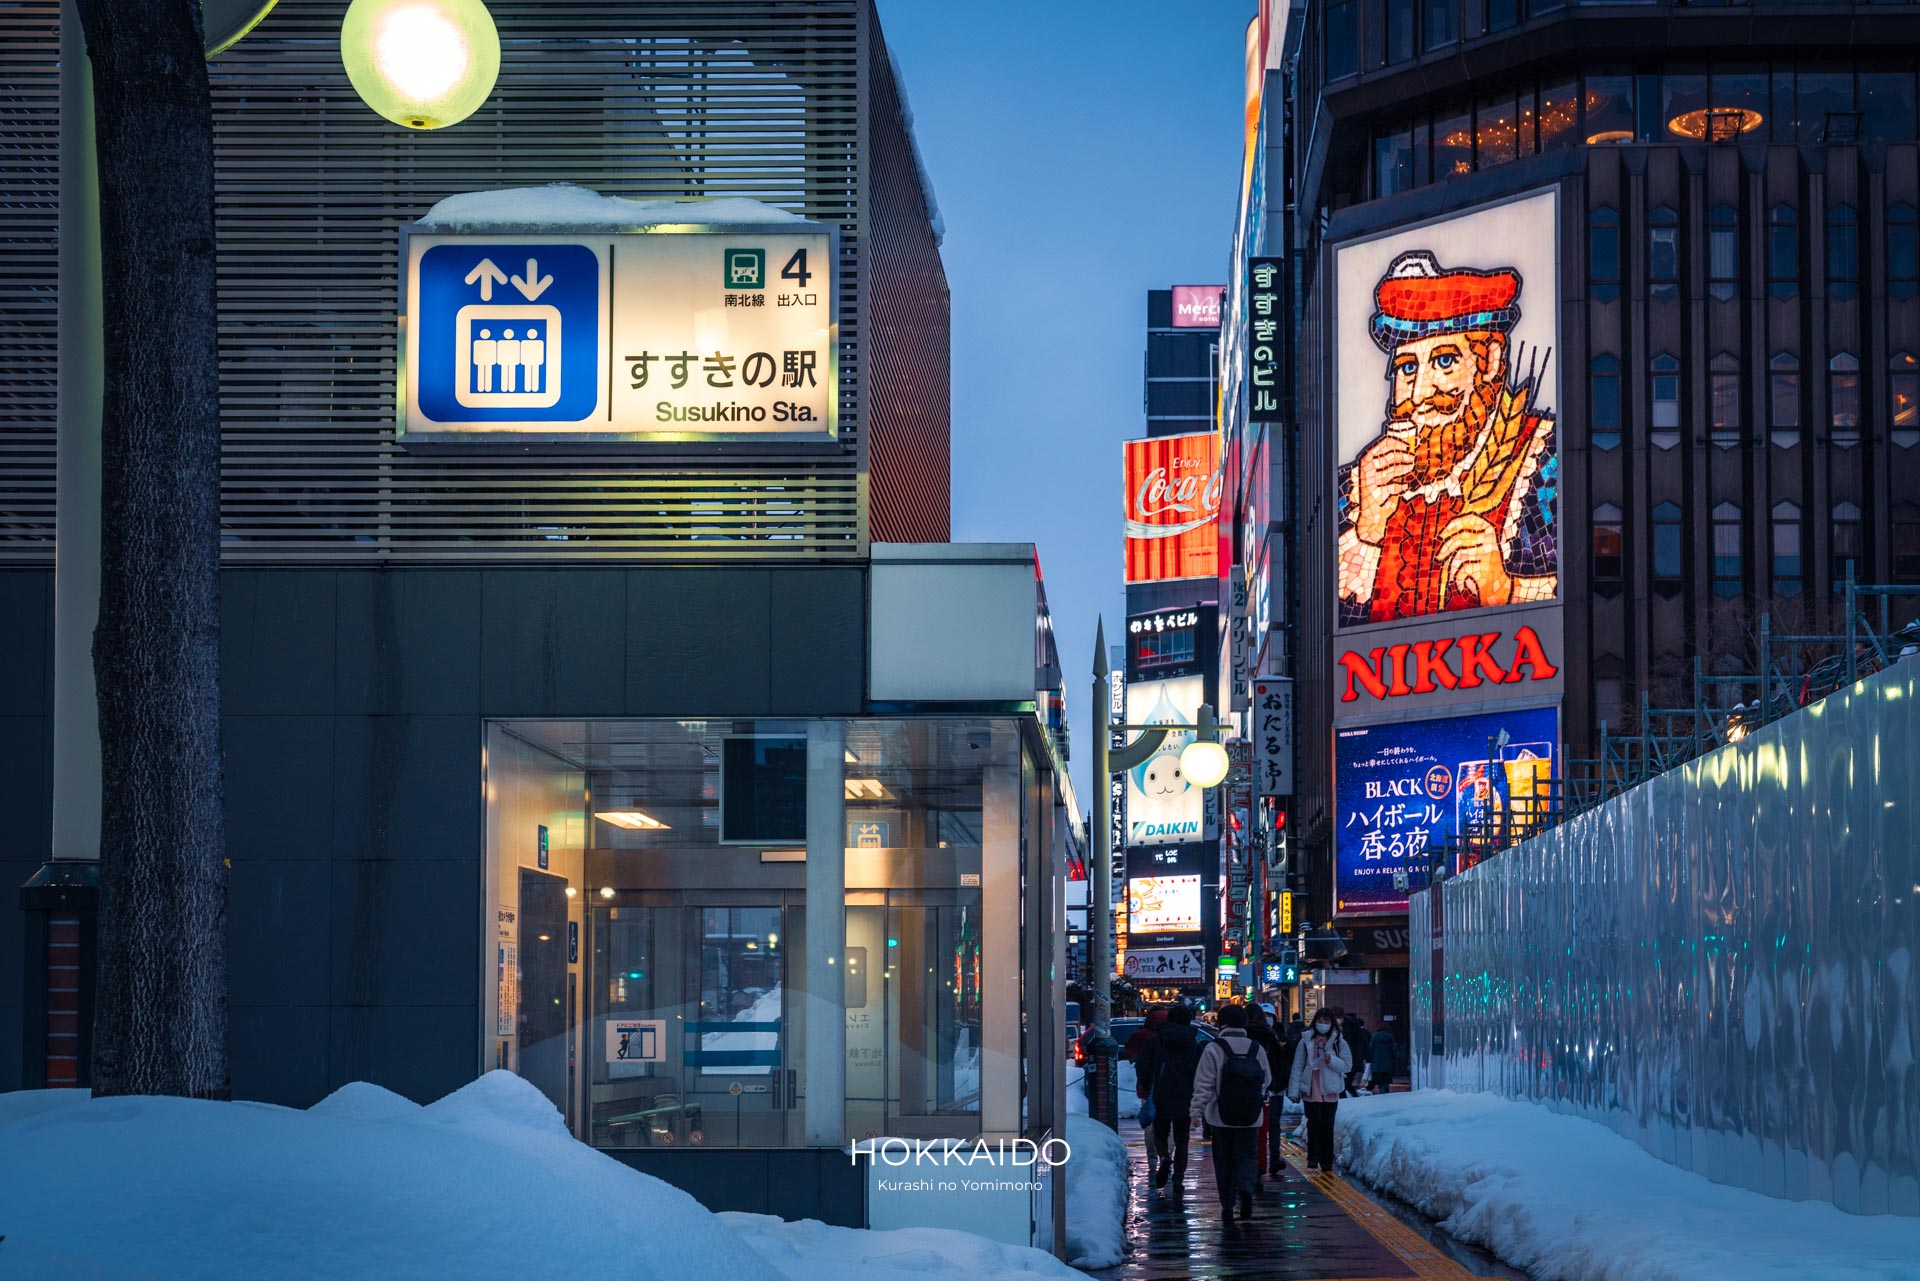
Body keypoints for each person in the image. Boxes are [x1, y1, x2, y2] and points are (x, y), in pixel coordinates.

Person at [1337, 249, 1558, 626]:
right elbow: (1321, 632)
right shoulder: (1354, 485)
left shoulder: (1544, 458)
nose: (1420, 392)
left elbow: (1588, 598)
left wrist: (1505, 588)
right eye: (1407, 368)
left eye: (1444, 361)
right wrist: (1367, 533)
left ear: (1488, 362)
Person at [1191, 1003, 1271, 1223]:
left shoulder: (1214, 1048)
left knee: (1224, 1160)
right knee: (1248, 1156)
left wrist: (1196, 1111)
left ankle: (1227, 1205)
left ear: (1221, 1023)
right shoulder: (1256, 1048)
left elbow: (1203, 1084)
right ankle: (1246, 1189)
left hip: (1221, 1116)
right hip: (1251, 1116)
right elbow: (1267, 1079)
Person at [1134, 1004, 1203, 1192]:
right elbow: (1200, 1070)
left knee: (1161, 1133)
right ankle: (1179, 1178)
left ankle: (1164, 1156)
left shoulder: (1156, 1041)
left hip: (1161, 1094)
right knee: (1182, 1139)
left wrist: (1148, 1086)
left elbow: (1142, 1065)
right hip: (1186, 1096)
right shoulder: (1193, 1042)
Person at [1288, 1008, 1352, 1173]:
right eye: (1320, 1021)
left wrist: (1332, 1060)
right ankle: (1313, 1157)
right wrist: (1294, 1091)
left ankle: (1326, 1161)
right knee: (1314, 1123)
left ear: (1332, 1024)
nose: (1322, 1025)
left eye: (1326, 1022)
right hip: (1310, 1088)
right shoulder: (1306, 1041)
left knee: (1327, 1126)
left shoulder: (1338, 1042)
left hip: (1330, 1090)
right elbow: (1297, 1066)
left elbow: (1347, 1065)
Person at [1243, 1003, 1286, 1183]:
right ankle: (1265, 1163)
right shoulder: (1270, 1036)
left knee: (1244, 1130)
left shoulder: (1242, 1034)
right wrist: (1275, 1084)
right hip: (1267, 1090)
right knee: (1267, 1128)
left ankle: (1245, 1167)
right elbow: (1279, 1063)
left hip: (1243, 1089)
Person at [1126, 1007, 1170, 1176]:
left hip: (1149, 1088)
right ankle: (1167, 1154)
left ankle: (1152, 1158)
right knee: (1170, 1124)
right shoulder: (1172, 1035)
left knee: (1151, 1123)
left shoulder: (1142, 1036)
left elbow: (1131, 1052)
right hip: (1171, 1087)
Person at [1342, 1013, 1369, 1095]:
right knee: (1346, 1083)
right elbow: (1364, 1045)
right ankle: (1352, 1096)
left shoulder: (1346, 1029)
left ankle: (1348, 1097)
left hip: (1347, 1060)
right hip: (1356, 1060)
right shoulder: (1361, 1031)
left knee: (1344, 1084)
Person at [1370, 1024, 1397, 1094]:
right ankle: (1385, 1089)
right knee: (1386, 1079)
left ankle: (1382, 1091)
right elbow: (1393, 1049)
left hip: (1376, 1063)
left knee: (1379, 1079)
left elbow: (1370, 1048)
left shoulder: (1375, 1037)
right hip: (1388, 1063)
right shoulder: (1390, 1037)